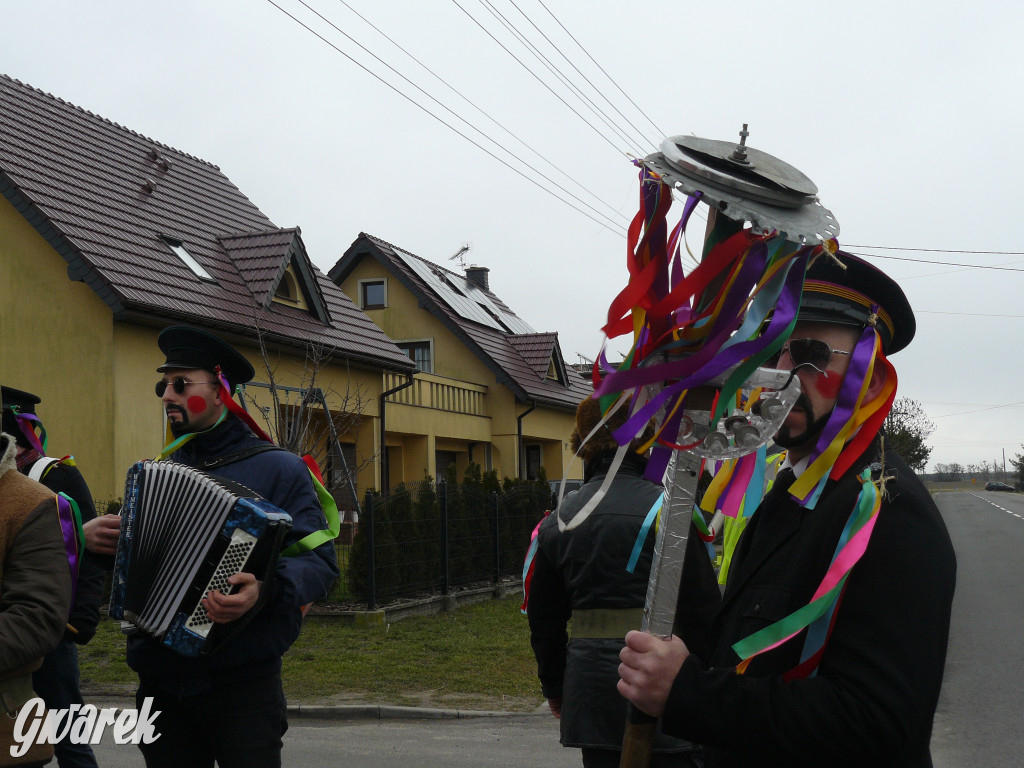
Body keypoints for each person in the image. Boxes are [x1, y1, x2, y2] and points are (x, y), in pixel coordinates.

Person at [617, 252, 957, 767]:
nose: (779, 375)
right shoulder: (792, 493)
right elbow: (746, 651)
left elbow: (878, 724)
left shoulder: (886, 510)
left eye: (809, 353)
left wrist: (688, 692)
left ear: (866, 372)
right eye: (770, 352)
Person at [117, 325, 340, 768]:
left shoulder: (280, 468)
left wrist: (265, 590)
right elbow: (140, 563)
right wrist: (101, 543)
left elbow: (320, 565)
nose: (167, 395)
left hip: (241, 687)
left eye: (181, 384)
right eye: (164, 385)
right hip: (160, 684)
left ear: (221, 391)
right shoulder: (157, 471)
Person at [525, 396, 715, 767]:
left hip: (589, 696)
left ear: (582, 444)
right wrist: (702, 688)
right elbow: (703, 610)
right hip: (666, 690)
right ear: (647, 440)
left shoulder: (556, 523)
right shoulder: (672, 511)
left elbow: (544, 623)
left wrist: (555, 687)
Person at [2, 387, 104, 768]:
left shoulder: (55, 474)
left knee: (67, 733)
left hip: (53, 628)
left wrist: (78, 621)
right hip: (11, 631)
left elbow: (92, 549)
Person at [0, 385, 74, 767]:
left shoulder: (35, 495)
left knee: (74, 742)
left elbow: (38, 615)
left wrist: (86, 619)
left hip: (7, 724)